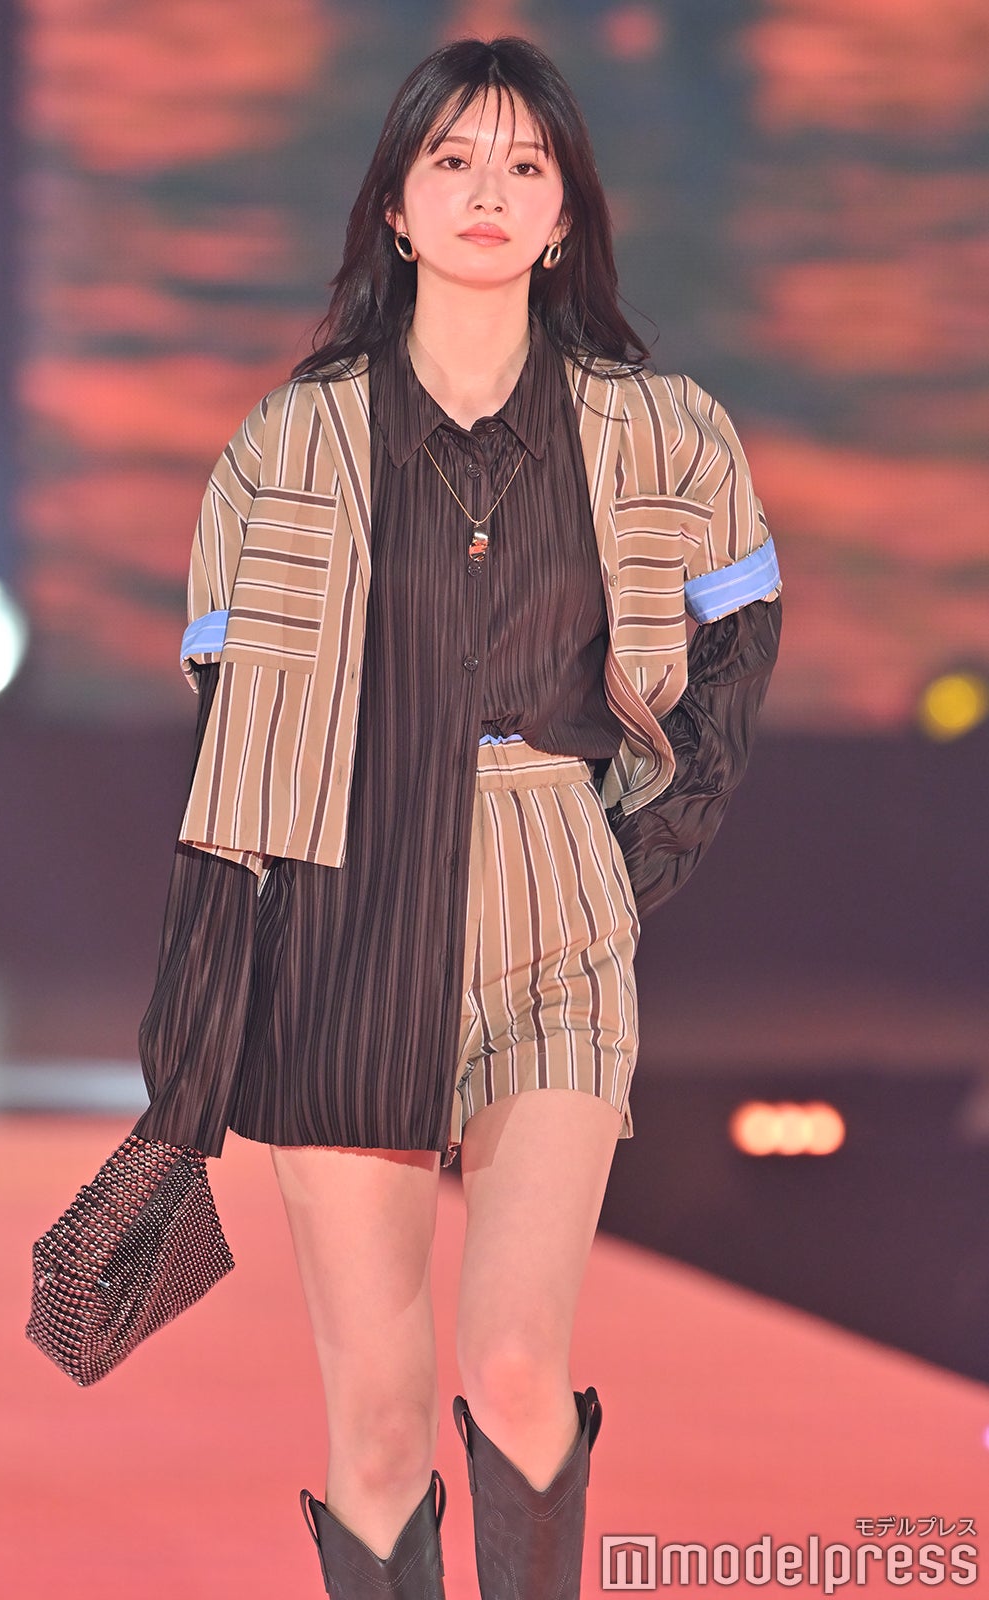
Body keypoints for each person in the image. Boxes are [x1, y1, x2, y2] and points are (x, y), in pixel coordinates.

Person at [132, 35, 782, 1600]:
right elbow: (234, 722)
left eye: (524, 164)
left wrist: (623, 865)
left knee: (509, 1358)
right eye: (451, 159)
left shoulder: (663, 433)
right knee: (373, 1421)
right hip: (346, 906)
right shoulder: (288, 446)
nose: (487, 189)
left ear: (562, 217)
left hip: (554, 897)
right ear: (395, 206)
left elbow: (731, 660)